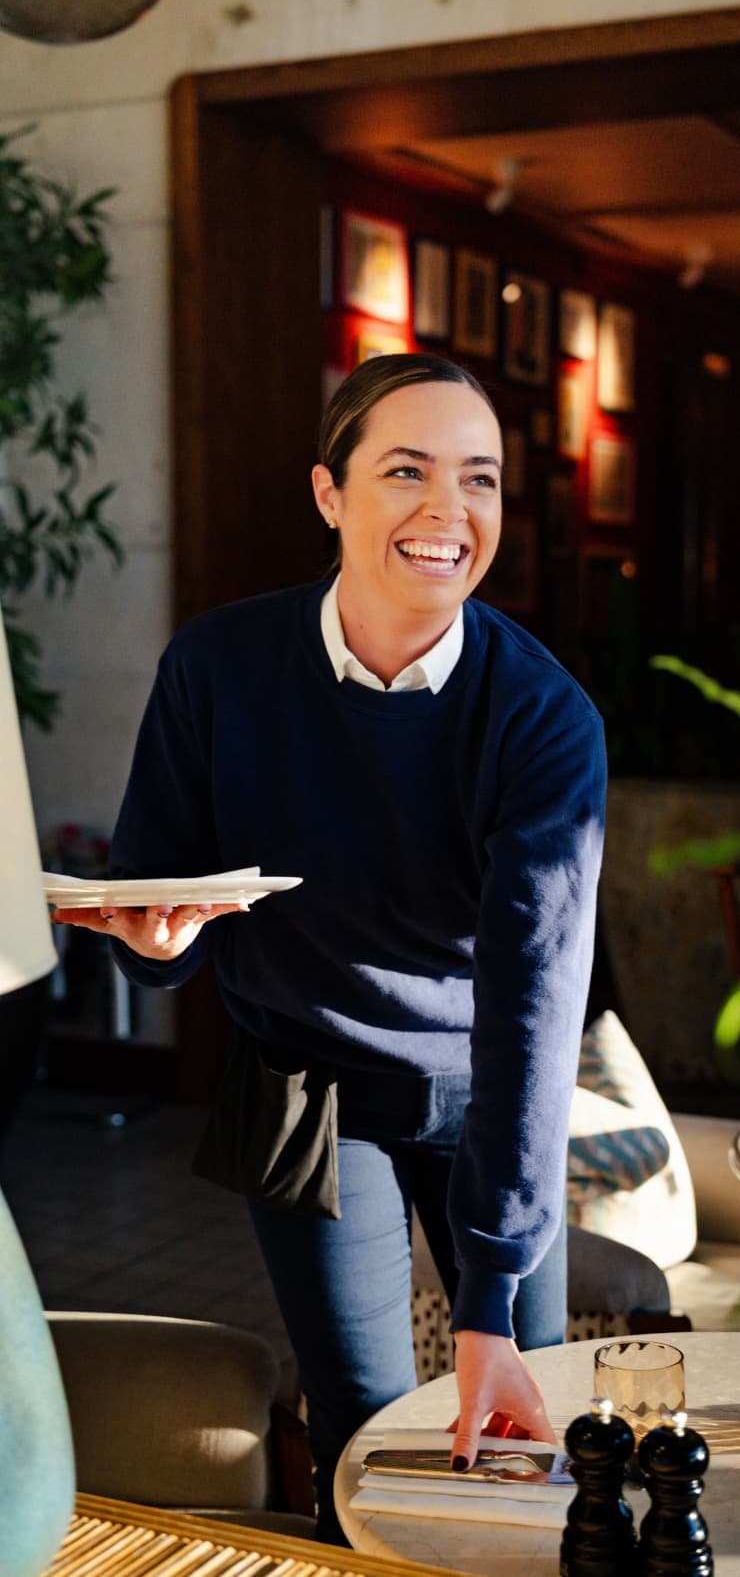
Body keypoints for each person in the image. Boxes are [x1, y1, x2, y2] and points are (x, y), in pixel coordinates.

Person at [53, 352, 607, 1542]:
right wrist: (153, 948)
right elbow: (160, 916)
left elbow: (532, 1001)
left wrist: (493, 1298)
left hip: (484, 1078)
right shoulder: (217, 666)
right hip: (302, 1078)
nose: (448, 514)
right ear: (328, 493)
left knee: (523, 1401)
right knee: (362, 1413)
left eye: (481, 481)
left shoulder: (545, 717)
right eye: (406, 471)